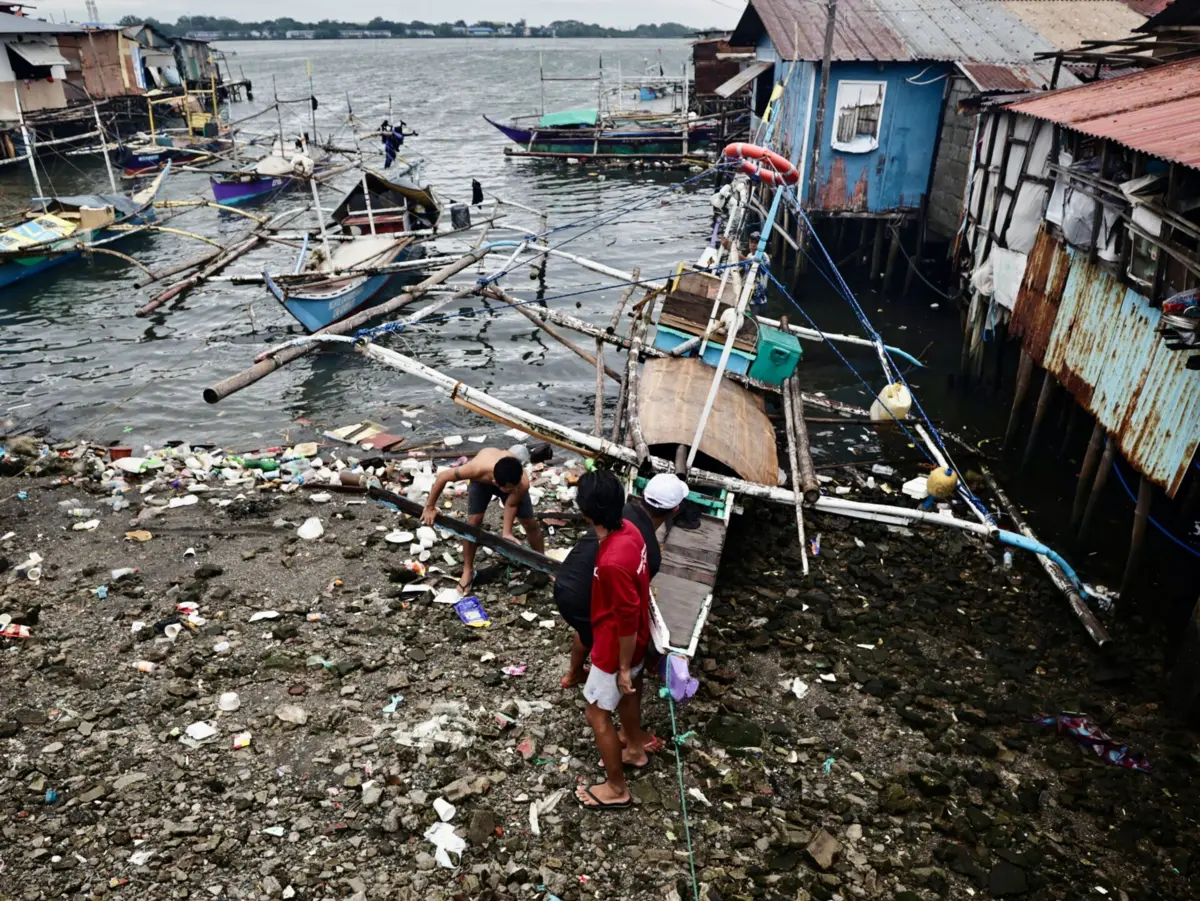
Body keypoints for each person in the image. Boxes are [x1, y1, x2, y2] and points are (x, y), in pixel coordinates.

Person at [554, 472, 688, 692]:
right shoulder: (649, 552)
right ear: (675, 510)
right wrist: (625, 666)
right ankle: (591, 682)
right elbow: (627, 609)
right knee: (598, 633)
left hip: (565, 579)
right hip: (582, 594)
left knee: (585, 629)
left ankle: (574, 673)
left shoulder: (623, 512)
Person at [571, 469, 655, 811]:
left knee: (596, 714)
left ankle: (616, 787)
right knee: (629, 691)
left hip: (614, 646)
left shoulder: (611, 563)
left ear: (586, 513)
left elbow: (624, 620)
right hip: (637, 639)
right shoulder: (631, 530)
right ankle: (635, 747)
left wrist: (620, 666)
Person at [421, 446, 545, 591]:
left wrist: (507, 532)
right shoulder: (475, 470)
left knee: (529, 523)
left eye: (516, 487)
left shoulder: (521, 483)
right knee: (473, 523)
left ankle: (542, 564)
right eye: (511, 489)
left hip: (507, 477)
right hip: (481, 482)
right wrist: (430, 507)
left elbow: (511, 504)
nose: (516, 490)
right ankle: (467, 571)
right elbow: (442, 477)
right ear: (495, 483)